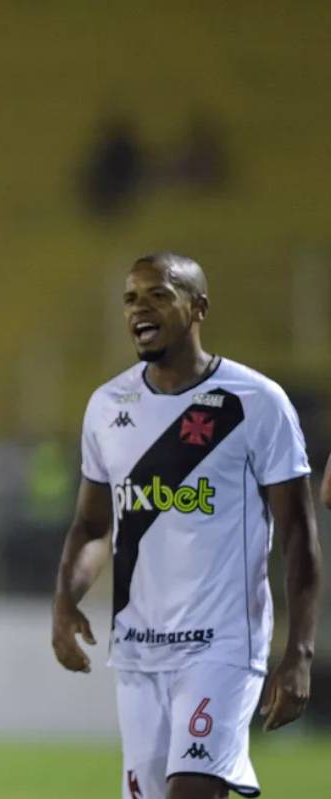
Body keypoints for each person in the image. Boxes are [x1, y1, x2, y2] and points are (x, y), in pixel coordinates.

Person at [51, 253, 321, 799]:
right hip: (139, 651)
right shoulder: (107, 406)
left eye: (158, 295)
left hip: (222, 647)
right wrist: (65, 599)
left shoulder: (256, 402)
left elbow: (297, 534)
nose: (140, 309)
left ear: (198, 308)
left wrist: (299, 652)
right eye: (130, 298)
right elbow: (94, 526)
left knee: (193, 790)